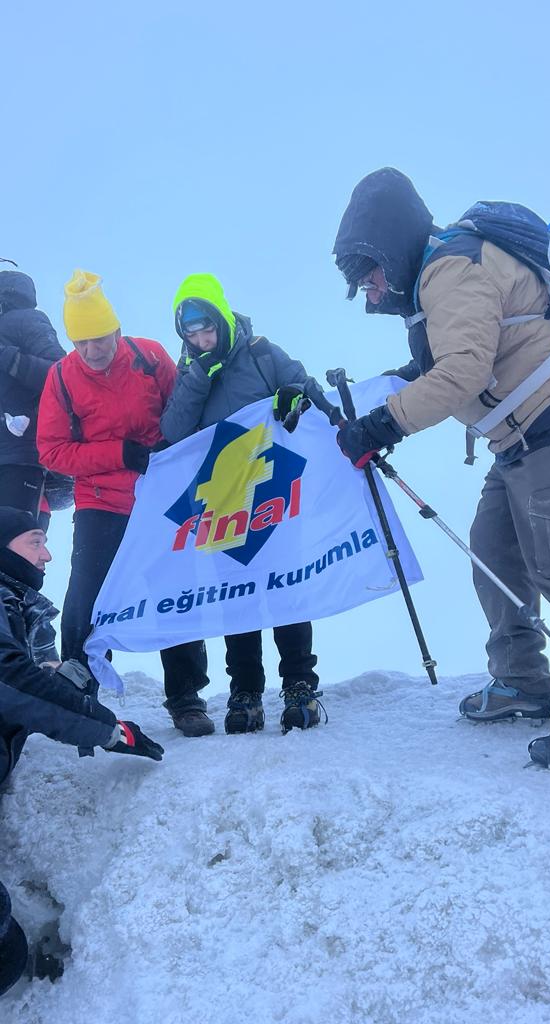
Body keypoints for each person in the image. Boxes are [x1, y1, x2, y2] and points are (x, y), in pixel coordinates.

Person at [332, 167, 550, 770]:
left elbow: (463, 371)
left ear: (387, 250)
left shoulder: (451, 270)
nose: (370, 293)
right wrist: (404, 386)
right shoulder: (441, 274)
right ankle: (522, 679)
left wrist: (384, 423)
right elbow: (465, 352)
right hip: (518, 443)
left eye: (369, 277)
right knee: (494, 551)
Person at [36, 270, 214, 738]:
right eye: (81, 342)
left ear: (117, 329)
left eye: (100, 338)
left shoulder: (149, 357)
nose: (93, 351)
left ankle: (186, 696)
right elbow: (51, 450)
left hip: (159, 500)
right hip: (100, 502)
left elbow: (185, 412)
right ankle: (79, 693)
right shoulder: (62, 378)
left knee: (175, 592)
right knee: (86, 600)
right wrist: (120, 453)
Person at [0, 505, 163, 996]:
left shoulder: (20, 606)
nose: (47, 554)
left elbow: (33, 673)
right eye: (34, 541)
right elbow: (10, 677)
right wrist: (107, 729)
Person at [160, 273, 323, 734]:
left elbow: (307, 392)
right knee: (237, 597)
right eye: (190, 335)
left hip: (273, 494)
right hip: (223, 503)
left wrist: (294, 396)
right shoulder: (189, 369)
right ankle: (246, 690)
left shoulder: (262, 354)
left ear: (223, 319)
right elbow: (173, 432)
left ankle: (299, 685)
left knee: (287, 589)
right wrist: (197, 375)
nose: (199, 340)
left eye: (206, 330)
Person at [0, 270, 69, 525]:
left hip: (18, 453)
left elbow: (61, 373)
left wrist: (10, 358)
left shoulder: (27, 320)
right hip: (17, 452)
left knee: (14, 540)